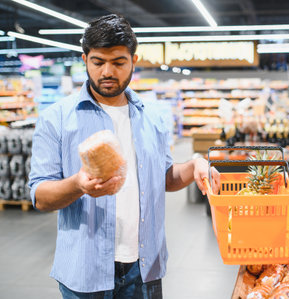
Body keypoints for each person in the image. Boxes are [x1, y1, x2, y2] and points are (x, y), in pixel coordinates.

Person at [28, 14, 220, 299]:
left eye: (118, 62)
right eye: (98, 62)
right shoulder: (56, 118)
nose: (107, 71)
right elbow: (40, 195)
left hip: (145, 270)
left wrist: (193, 166)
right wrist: (78, 184)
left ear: (134, 60)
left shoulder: (152, 116)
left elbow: (163, 177)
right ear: (85, 60)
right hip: (85, 273)